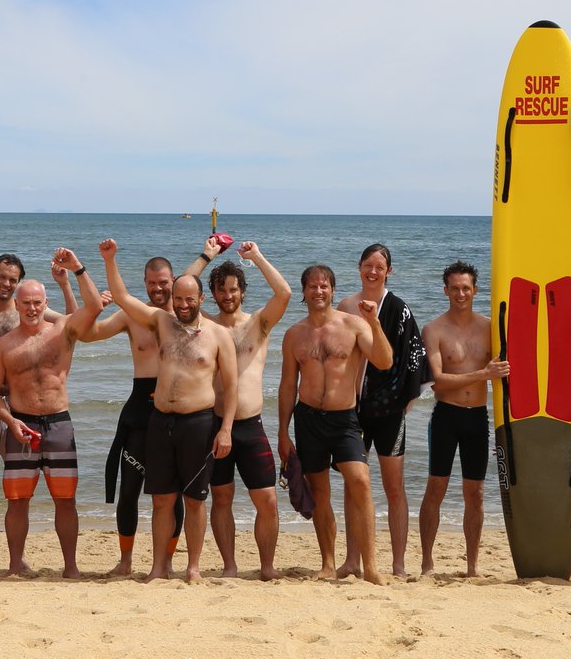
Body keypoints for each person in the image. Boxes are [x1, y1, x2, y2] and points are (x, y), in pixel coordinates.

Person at [101, 238, 237, 584]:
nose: (184, 304)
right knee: (161, 500)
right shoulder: (161, 322)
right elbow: (122, 297)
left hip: (199, 423)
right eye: (179, 299)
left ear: (201, 299)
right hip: (161, 422)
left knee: (194, 501)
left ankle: (193, 566)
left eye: (190, 298)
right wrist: (110, 259)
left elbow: (231, 387)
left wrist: (226, 431)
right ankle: (158, 566)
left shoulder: (218, 335)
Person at [0, 248, 103, 578]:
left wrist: (77, 269)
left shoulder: (62, 331)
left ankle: (71, 567)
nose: (32, 308)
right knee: (17, 500)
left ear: (43, 302)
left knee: (65, 499)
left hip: (59, 424)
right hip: (22, 424)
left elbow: (93, 307)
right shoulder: (3, 345)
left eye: (37, 302)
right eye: (26, 303)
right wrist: (10, 421)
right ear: (17, 305)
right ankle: (13, 565)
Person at [184, 238, 290, 580]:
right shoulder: (206, 327)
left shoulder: (257, 324)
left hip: (251, 425)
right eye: (220, 290)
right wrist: (206, 256)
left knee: (268, 501)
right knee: (222, 498)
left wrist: (257, 256)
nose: (227, 296)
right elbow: (182, 291)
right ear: (212, 294)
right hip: (212, 425)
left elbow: (284, 293)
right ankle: (229, 566)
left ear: (242, 291)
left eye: (233, 289)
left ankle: (267, 566)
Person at [277, 265, 391, 585]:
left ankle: (370, 566)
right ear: (303, 292)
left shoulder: (354, 325)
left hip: (345, 420)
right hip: (308, 418)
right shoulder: (294, 334)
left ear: (332, 290)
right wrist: (283, 432)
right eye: (312, 286)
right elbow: (287, 385)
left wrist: (375, 323)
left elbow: (384, 361)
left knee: (361, 482)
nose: (318, 291)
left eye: (324, 286)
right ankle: (328, 563)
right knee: (319, 492)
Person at [81, 254, 186, 575]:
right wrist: (90, 303)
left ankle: (166, 562)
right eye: (152, 283)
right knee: (129, 491)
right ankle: (125, 561)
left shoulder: (188, 318)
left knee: (172, 494)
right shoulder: (131, 316)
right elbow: (88, 334)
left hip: (176, 410)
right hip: (140, 409)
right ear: (144, 284)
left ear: (173, 283)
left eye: (164, 283)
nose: (158, 288)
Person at [0, 253, 74, 534]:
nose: (6, 284)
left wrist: (64, 284)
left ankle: (17, 553)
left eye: (13, 280)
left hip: (24, 408)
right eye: (1, 277)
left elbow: (72, 322)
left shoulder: (28, 309)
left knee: (22, 487)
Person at [335, 243, 431, 578]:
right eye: (367, 265)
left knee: (394, 488)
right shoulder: (346, 306)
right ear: (359, 267)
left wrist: (406, 400)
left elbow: (415, 359)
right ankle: (352, 560)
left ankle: (399, 563)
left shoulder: (399, 309)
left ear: (389, 271)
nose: (373, 272)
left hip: (390, 411)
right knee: (354, 486)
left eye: (379, 266)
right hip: (353, 409)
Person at [418, 260, 509, 577]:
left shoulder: (490, 328)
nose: (460, 293)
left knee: (476, 493)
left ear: (475, 290)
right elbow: (439, 381)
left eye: (466, 288)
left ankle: (472, 566)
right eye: (454, 288)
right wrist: (484, 374)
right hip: (446, 416)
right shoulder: (434, 330)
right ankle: (427, 562)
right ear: (446, 290)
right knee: (436, 488)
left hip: (477, 419)